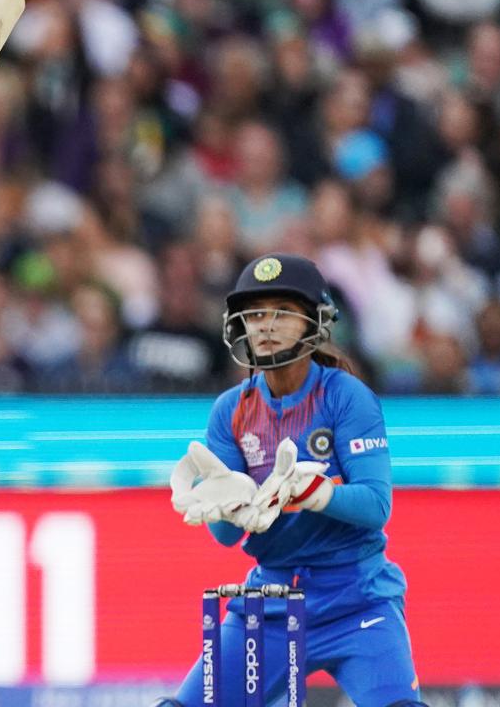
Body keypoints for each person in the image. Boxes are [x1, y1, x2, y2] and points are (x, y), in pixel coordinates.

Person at [164, 254, 425, 707]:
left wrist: (315, 493)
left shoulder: (346, 396)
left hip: (357, 599)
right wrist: (228, 505)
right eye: (256, 314)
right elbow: (226, 536)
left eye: (282, 313)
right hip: (270, 603)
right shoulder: (231, 410)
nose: (266, 325)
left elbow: (377, 506)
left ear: (313, 322)